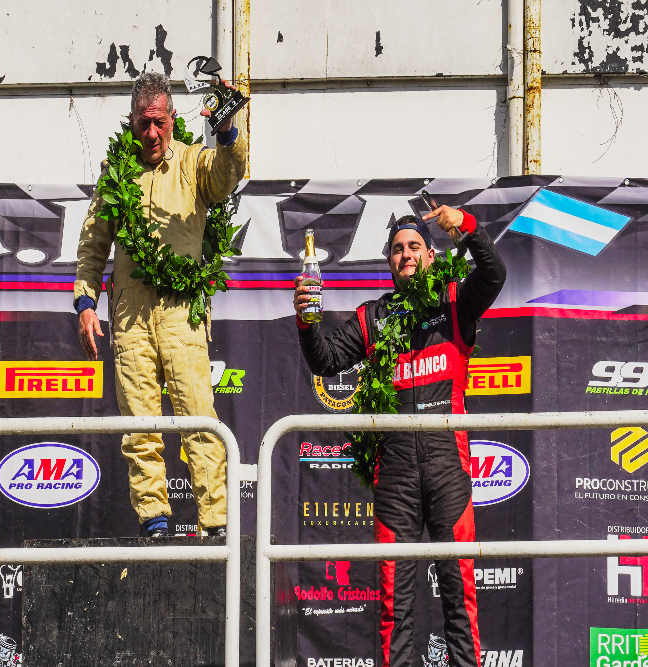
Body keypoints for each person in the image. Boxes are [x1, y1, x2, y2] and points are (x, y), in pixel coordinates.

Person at [293, 206, 506, 667]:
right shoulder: (373, 317)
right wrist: (307, 322)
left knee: (459, 596)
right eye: (396, 249)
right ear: (389, 261)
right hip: (394, 475)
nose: (405, 254)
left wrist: (467, 226)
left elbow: (494, 274)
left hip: (448, 467)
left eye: (413, 246)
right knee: (395, 605)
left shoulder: (455, 301)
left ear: (430, 255)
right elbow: (325, 361)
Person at [74, 71, 246, 537]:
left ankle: (216, 525)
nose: (152, 133)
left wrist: (228, 132)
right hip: (129, 316)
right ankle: (154, 520)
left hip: (181, 311)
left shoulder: (193, 161)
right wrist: (85, 303)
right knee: (139, 424)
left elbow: (227, 177)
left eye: (160, 122)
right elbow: (93, 246)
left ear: (172, 118)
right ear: (131, 121)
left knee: (199, 419)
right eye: (143, 123)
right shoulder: (116, 174)